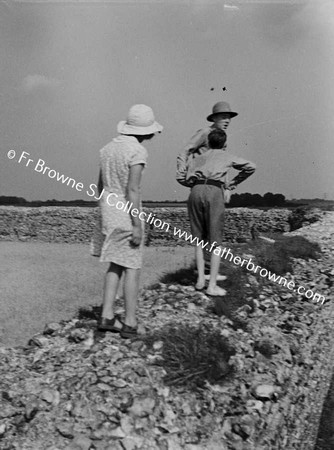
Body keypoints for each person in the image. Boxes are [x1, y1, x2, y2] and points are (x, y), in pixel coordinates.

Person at [92, 104, 163, 338]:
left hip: (108, 210)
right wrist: (137, 224)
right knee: (132, 266)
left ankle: (107, 314)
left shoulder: (107, 149)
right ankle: (130, 322)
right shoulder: (137, 151)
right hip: (126, 211)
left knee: (115, 263)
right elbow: (133, 189)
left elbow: (100, 187)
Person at [183, 128, 256, 296]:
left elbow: (187, 177)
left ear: (208, 142)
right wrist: (233, 183)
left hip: (195, 191)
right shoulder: (227, 156)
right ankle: (212, 285)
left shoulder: (198, 158)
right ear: (224, 143)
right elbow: (252, 166)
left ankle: (200, 280)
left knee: (198, 239)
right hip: (214, 191)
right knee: (215, 241)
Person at [176, 101, 238, 198]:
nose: (227, 121)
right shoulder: (205, 133)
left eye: (229, 118)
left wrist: (227, 188)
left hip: (216, 186)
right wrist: (181, 167)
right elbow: (185, 151)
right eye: (223, 117)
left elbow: (222, 164)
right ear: (214, 118)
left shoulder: (222, 138)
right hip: (202, 184)